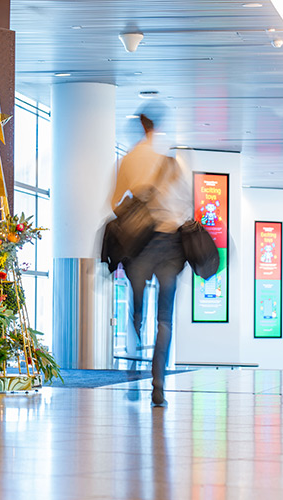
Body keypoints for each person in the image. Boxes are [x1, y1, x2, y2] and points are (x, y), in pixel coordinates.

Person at [110, 103, 191, 407]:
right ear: (155, 130)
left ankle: (135, 327)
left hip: (139, 246)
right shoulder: (170, 164)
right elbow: (186, 207)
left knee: (137, 306)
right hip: (169, 244)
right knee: (165, 319)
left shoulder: (128, 161)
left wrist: (134, 211)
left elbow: (114, 201)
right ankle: (157, 385)